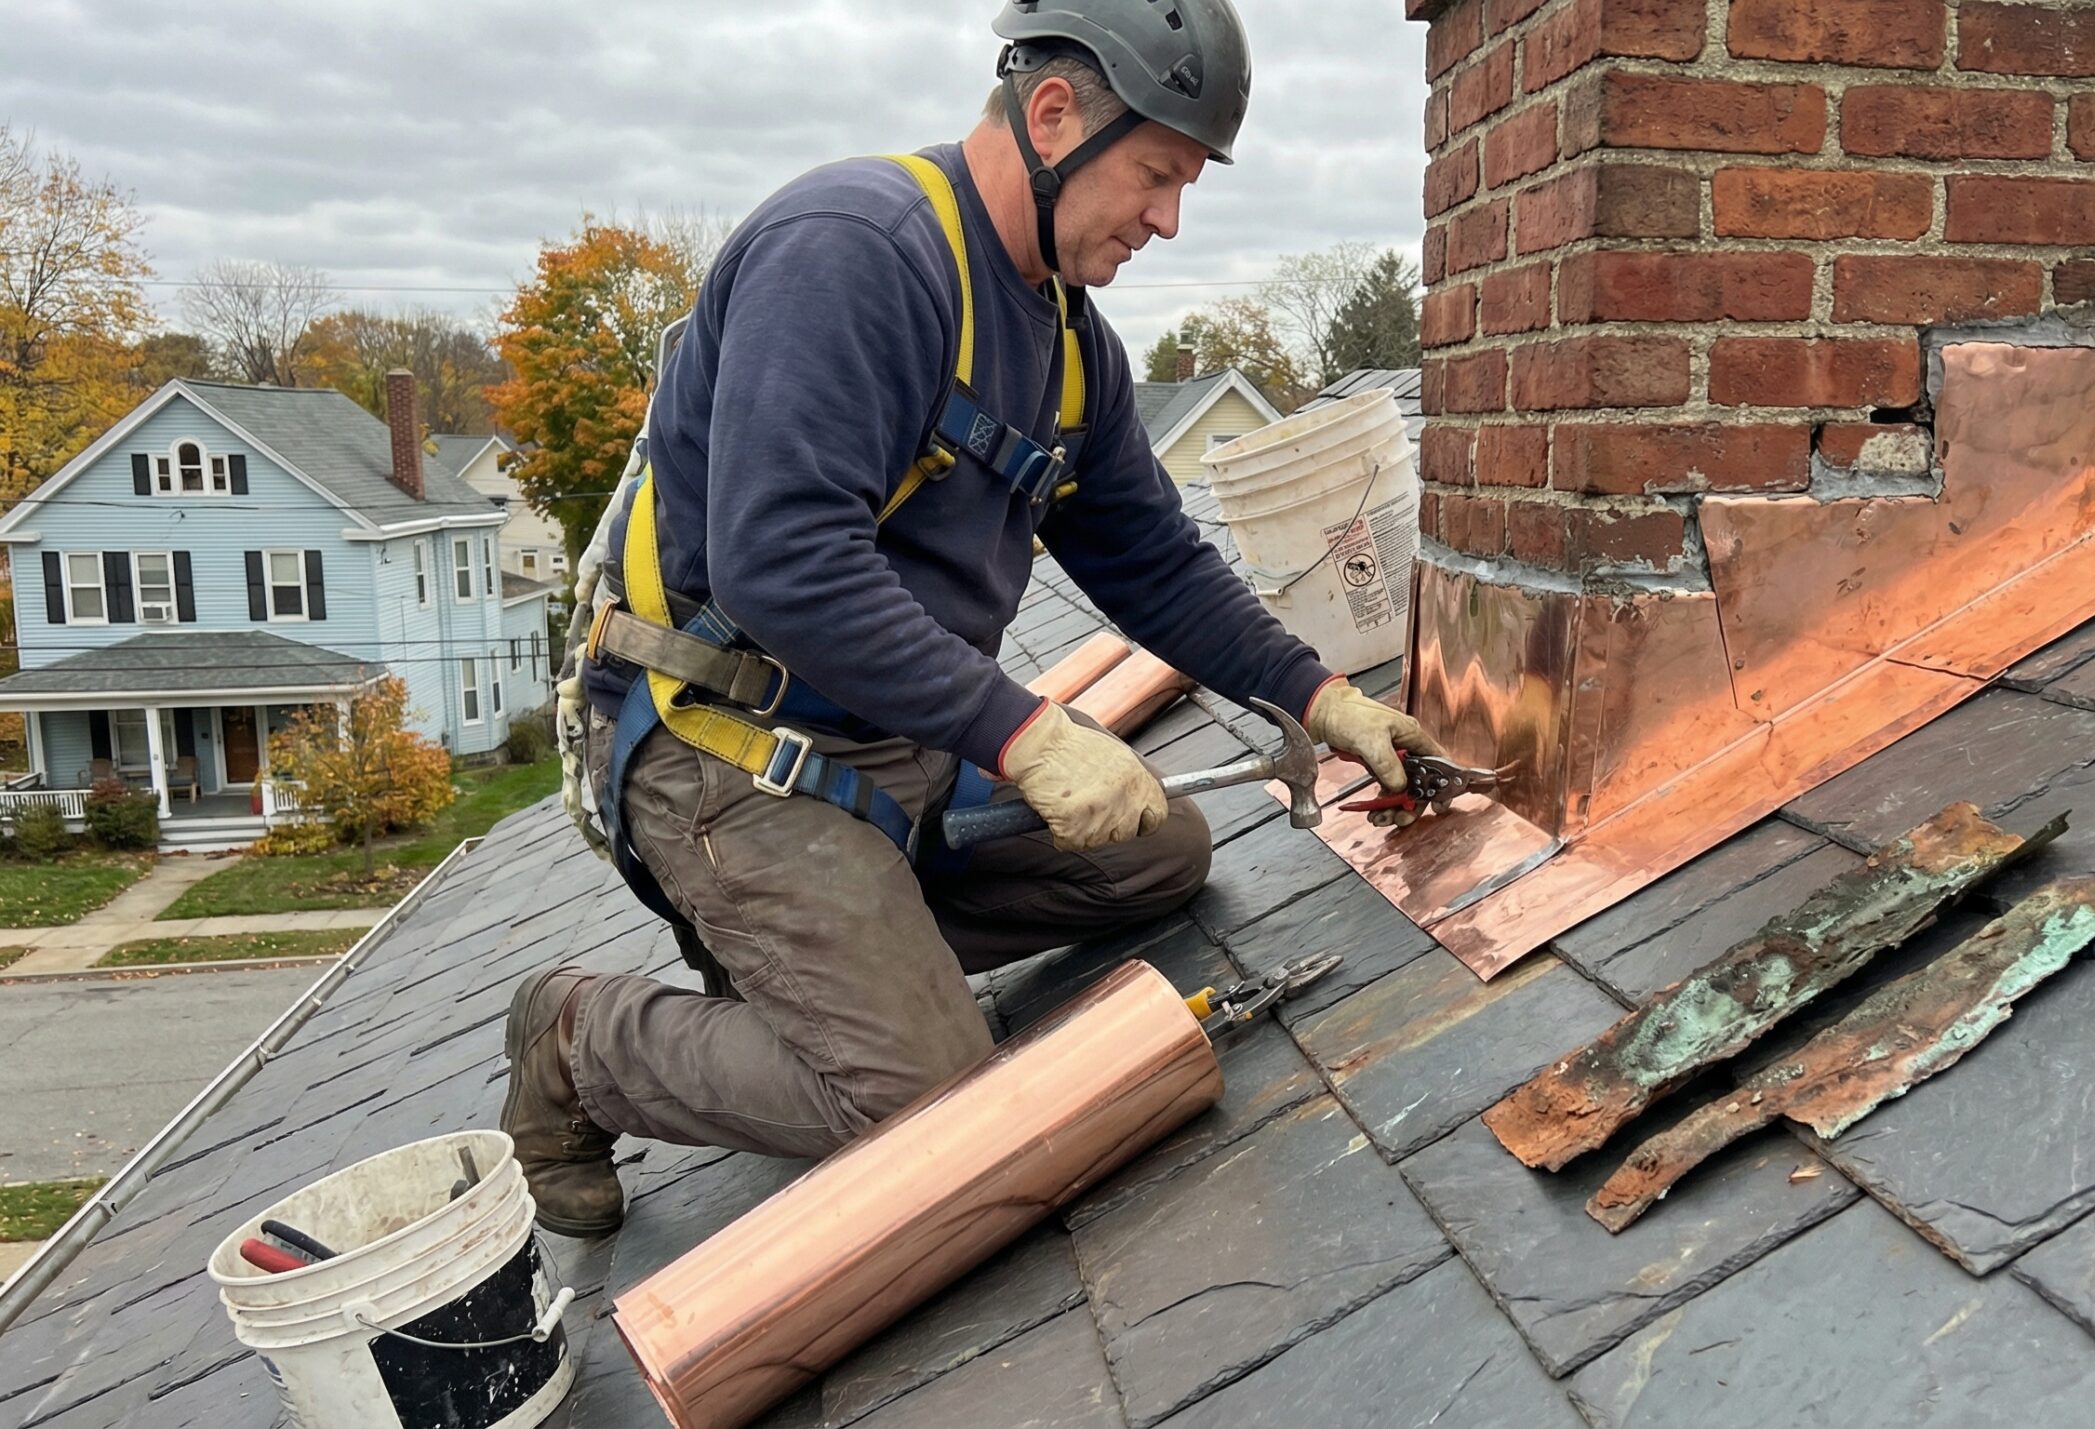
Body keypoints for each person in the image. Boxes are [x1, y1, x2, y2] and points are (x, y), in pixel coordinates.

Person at [503, 0, 1439, 1237]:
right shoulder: (851, 255)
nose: (1167, 219)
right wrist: (1026, 736)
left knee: (1161, 851)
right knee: (927, 1108)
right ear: (1053, 117)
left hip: (896, 740)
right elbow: (779, 561)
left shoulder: (1068, 345)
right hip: (726, 746)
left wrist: (1321, 699)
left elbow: (1152, 558)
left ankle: (824, 959)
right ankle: (577, 1038)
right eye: (1158, 174)